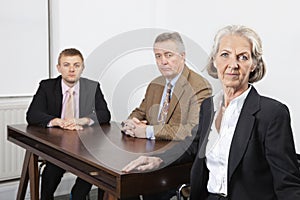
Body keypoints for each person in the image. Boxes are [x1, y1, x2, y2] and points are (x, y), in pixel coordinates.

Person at [122, 25, 300, 200]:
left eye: (243, 57)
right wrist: (159, 159)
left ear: (253, 64)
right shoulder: (209, 106)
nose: (233, 64)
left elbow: (287, 183)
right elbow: (193, 144)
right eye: (225, 55)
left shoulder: (272, 114)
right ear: (215, 61)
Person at [26, 48, 111, 200]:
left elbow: (104, 114)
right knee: (53, 167)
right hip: (56, 141)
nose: (72, 69)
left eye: (76, 65)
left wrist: (82, 120)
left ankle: (78, 194)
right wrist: (57, 121)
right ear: (59, 68)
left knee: (95, 164)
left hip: (84, 143)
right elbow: (32, 114)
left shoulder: (92, 86)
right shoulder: (46, 86)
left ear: (82, 68)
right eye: (66, 65)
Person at [121, 32, 212, 141]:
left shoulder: (199, 87)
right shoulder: (155, 84)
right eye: (158, 56)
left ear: (182, 56)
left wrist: (148, 131)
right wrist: (131, 123)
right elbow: (140, 113)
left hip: (179, 154)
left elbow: (193, 129)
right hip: (149, 149)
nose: (163, 62)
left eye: (169, 55)